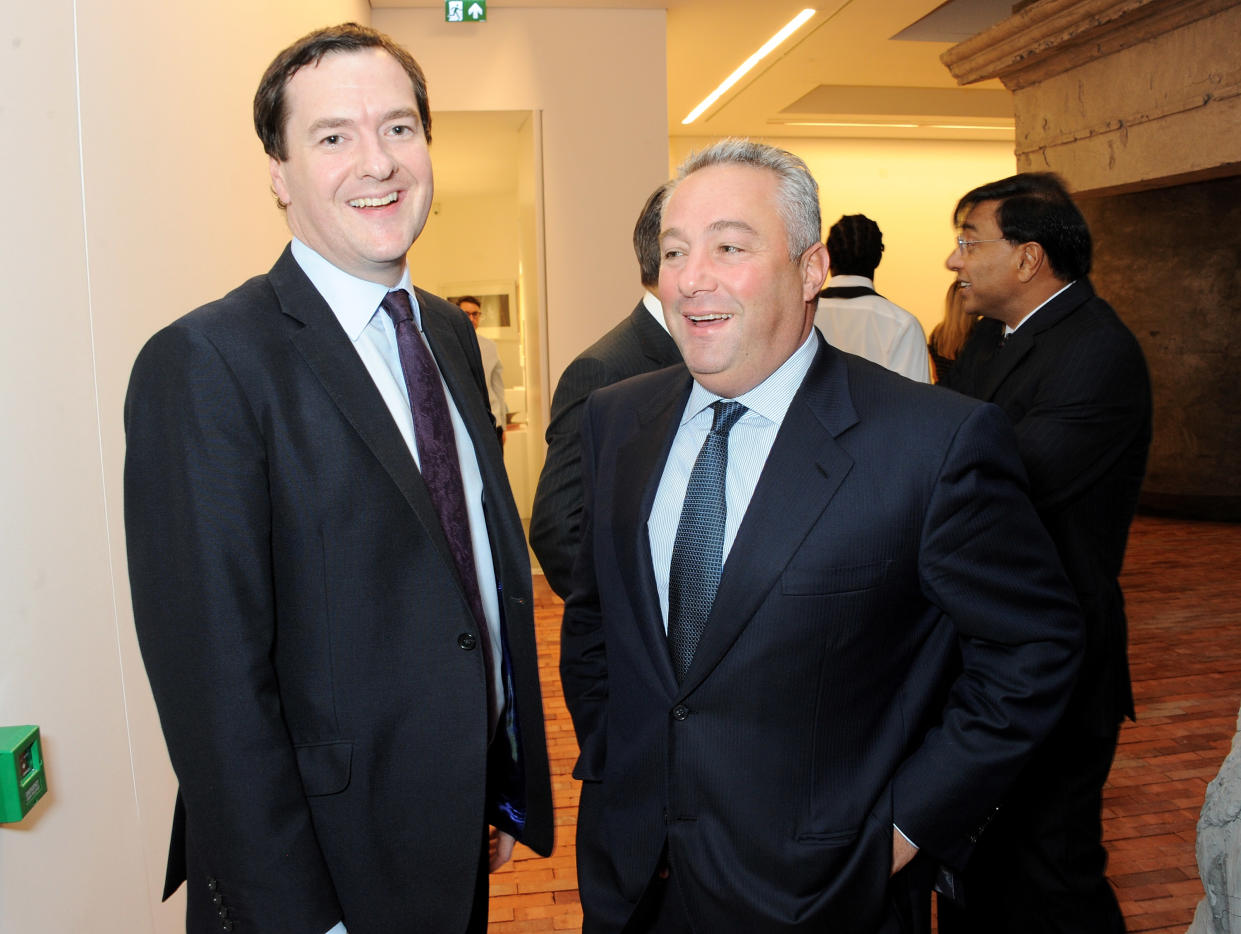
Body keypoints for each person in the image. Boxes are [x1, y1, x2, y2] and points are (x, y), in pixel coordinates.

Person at [560, 138, 1084, 934]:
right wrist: (613, 762)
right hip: (634, 877)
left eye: (729, 247)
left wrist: (907, 828)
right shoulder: (617, 418)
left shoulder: (932, 443)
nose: (689, 278)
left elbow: (1032, 648)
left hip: (829, 890)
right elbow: (598, 617)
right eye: (673, 251)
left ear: (811, 269)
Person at [123, 23, 552, 934]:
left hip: (447, 825)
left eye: (398, 128)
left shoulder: (446, 334)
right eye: (333, 137)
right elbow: (213, 690)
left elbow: (464, 575)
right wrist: (298, 917)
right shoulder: (205, 362)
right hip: (319, 867)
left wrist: (494, 777)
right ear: (277, 174)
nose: (378, 163)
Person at [937, 172, 1152, 934]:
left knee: (1050, 874)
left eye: (969, 242)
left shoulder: (1096, 352)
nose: (952, 262)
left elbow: (996, 489)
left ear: (1028, 259)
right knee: (981, 867)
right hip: (991, 649)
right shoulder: (998, 338)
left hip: (1054, 658)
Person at [530, 182, 682, 598]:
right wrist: (627, 624)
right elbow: (559, 531)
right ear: (666, 256)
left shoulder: (713, 353)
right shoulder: (605, 369)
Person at [813, 213, 930, 382]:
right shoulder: (902, 325)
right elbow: (918, 402)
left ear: (827, 257)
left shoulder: (801, 316)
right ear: (878, 258)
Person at [454, 295, 507, 443]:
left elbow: (498, 388)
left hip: (491, 421)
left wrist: (502, 425)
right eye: (466, 314)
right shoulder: (448, 347)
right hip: (463, 424)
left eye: (475, 314)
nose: (471, 318)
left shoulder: (490, 347)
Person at [927, 280, 977, 384]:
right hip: (967, 398)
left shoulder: (936, 334)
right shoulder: (979, 333)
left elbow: (935, 376)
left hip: (940, 395)